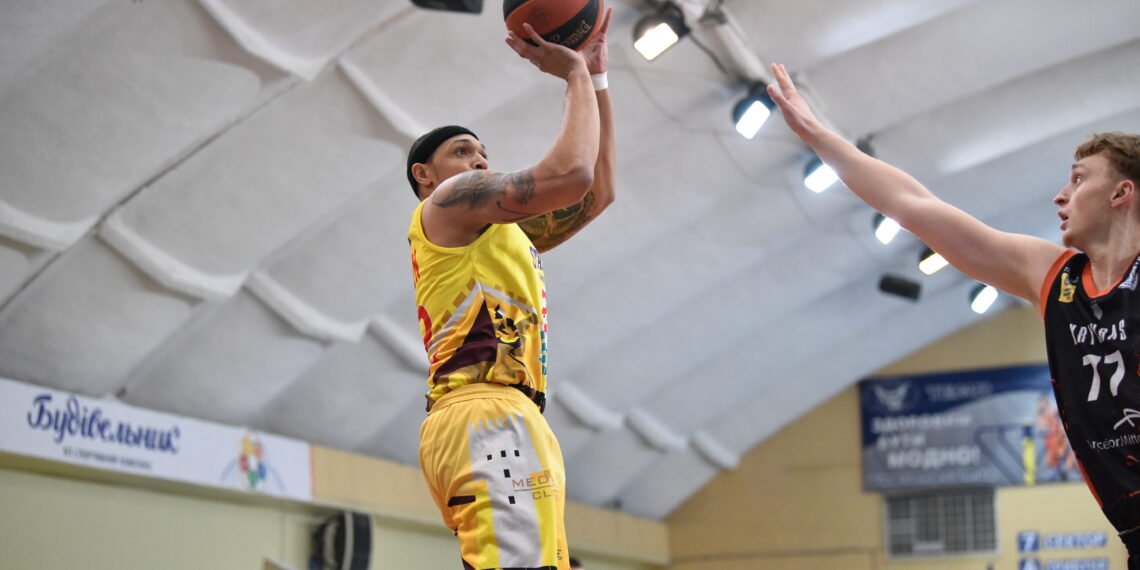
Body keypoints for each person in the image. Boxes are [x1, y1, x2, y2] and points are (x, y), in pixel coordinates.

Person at [766, 62, 1140, 565]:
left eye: (1078, 179)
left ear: (1121, 193)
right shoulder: (1053, 277)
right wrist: (818, 136)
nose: (1061, 195)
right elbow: (913, 205)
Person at [407, 10, 615, 570]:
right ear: (425, 175)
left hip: (510, 413)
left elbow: (596, 192)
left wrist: (596, 76)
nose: (478, 160)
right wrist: (572, 75)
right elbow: (570, 174)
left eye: (481, 153)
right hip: (484, 412)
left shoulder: (498, 234)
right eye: (462, 151)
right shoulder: (447, 203)